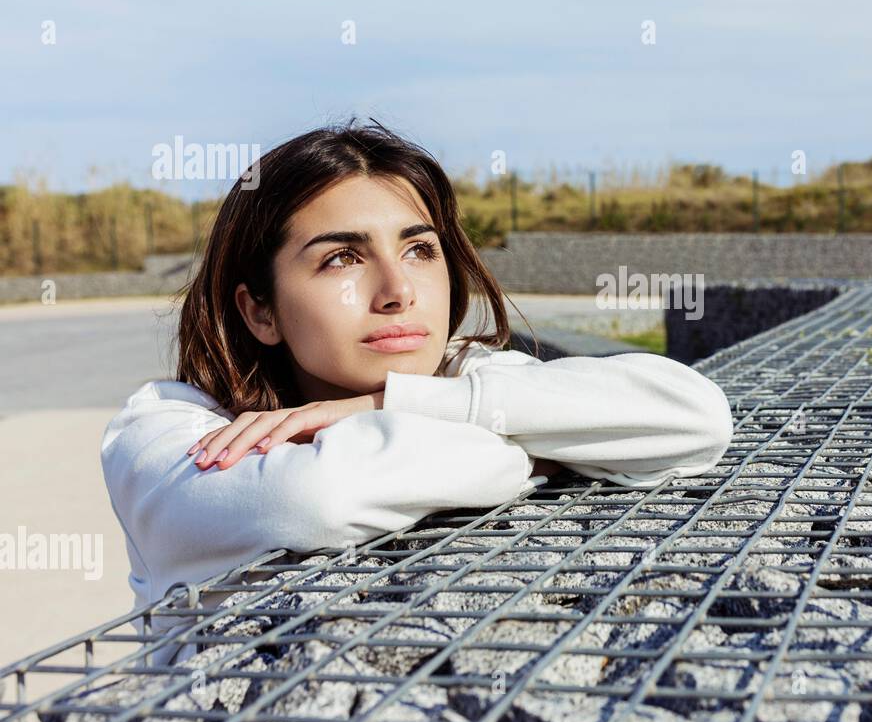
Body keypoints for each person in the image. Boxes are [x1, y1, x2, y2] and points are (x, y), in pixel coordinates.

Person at [100, 120, 733, 667]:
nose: (398, 290)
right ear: (260, 311)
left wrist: (389, 404)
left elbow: (696, 416)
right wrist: (531, 452)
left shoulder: (459, 376)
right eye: (342, 259)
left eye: (420, 249)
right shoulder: (162, 434)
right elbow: (318, 496)